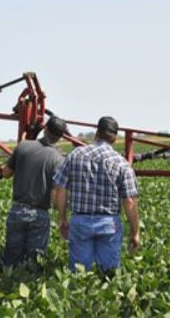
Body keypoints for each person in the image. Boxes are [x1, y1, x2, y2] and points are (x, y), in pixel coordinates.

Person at [53, 116, 140, 272]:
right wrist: (135, 232)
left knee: (79, 275)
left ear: (96, 132)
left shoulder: (75, 155)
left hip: (80, 221)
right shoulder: (121, 163)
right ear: (114, 138)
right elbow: (129, 202)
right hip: (109, 224)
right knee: (108, 276)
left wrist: (62, 218)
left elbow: (61, 189)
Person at [1, 116, 67, 267]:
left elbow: (5, 173)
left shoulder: (23, 146)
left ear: (45, 129)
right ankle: (28, 288)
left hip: (17, 210)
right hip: (40, 214)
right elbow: (57, 193)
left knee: (11, 259)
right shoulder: (58, 159)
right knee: (34, 263)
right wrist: (62, 216)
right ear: (59, 138)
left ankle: (7, 286)